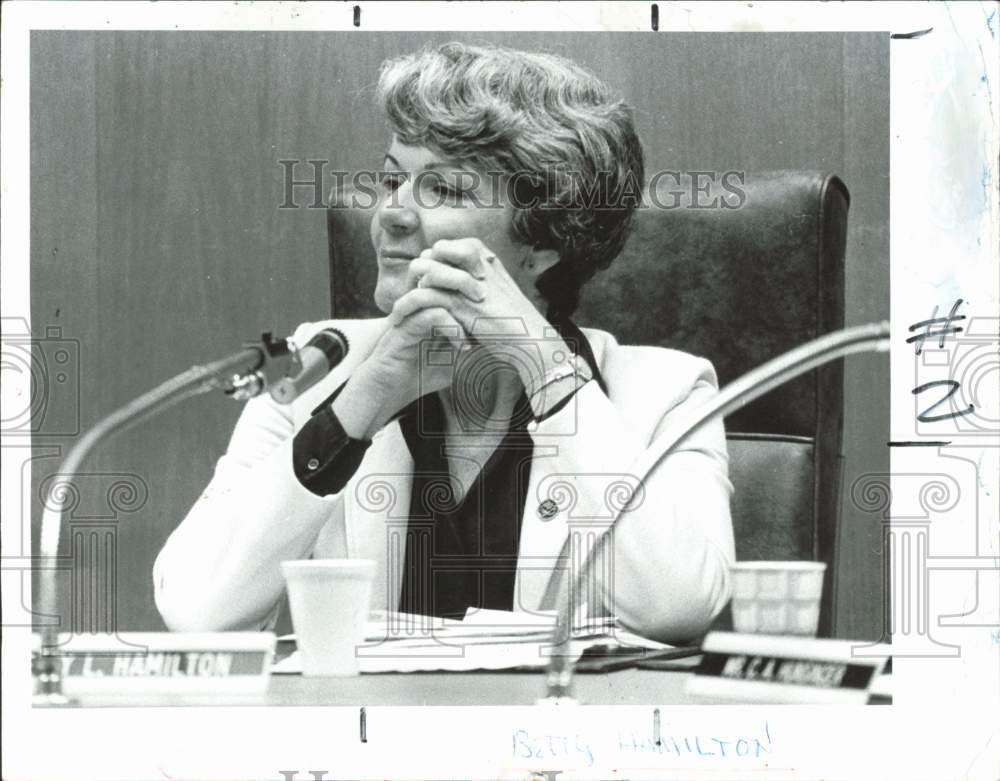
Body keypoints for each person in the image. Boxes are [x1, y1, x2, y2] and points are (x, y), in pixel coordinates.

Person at [153, 42, 734, 644]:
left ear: (544, 243)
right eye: (391, 181)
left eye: (447, 191)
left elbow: (679, 607)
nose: (392, 216)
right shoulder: (314, 366)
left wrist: (544, 367)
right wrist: (361, 400)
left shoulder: (666, 393)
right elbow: (197, 610)